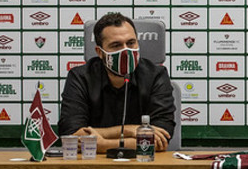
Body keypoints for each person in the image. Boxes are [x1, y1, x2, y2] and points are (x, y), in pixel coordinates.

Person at [59, 12, 175, 152]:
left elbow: (161, 138)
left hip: (141, 162)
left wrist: (103, 145)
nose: (126, 50)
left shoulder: (156, 75)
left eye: (131, 43)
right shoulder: (80, 77)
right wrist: (131, 130)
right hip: (92, 163)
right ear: (100, 52)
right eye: (116, 45)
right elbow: (72, 135)